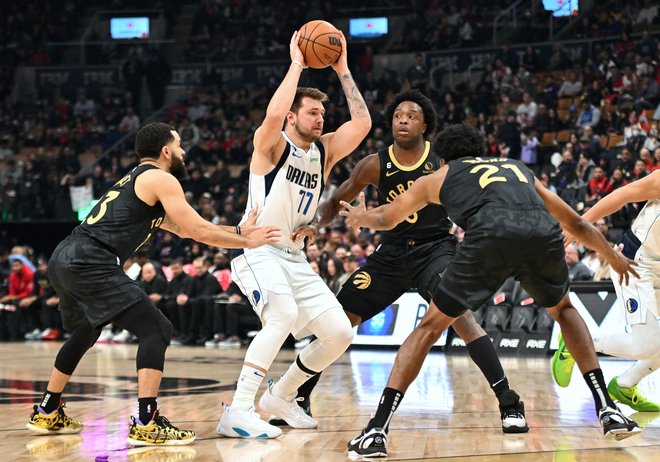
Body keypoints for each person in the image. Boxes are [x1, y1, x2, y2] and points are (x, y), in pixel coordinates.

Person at [340, 124, 641, 455]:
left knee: (430, 327)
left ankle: (377, 429)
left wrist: (361, 217)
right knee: (564, 311)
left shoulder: (437, 177)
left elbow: (387, 218)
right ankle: (608, 409)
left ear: (442, 157)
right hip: (540, 235)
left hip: (488, 238)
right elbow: (577, 224)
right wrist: (613, 256)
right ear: (480, 150)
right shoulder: (516, 167)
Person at [281, 91, 529, 457]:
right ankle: (299, 395)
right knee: (336, 322)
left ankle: (508, 401)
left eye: (411, 116)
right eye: (398, 115)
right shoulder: (374, 164)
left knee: (461, 318)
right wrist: (316, 224)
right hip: (391, 255)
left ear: (425, 125)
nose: (402, 120)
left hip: (436, 249)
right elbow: (336, 200)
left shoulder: (442, 161)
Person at [26, 122, 280, 446]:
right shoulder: (161, 178)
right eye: (179, 145)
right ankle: (147, 421)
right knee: (157, 329)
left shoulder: (138, 180)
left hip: (66, 256)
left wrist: (240, 231)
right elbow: (200, 231)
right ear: (165, 151)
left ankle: (48, 409)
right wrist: (248, 240)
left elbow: (187, 230)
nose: (184, 151)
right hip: (91, 259)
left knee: (86, 331)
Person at [215, 29, 371, 438]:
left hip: (295, 256)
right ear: (292, 116)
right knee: (280, 316)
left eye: (322, 113)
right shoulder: (271, 145)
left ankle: (280, 396)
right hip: (258, 248)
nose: (320, 118)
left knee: (339, 333)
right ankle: (239, 408)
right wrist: (298, 63)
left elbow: (363, 122)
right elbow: (270, 116)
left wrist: (342, 68)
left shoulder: (324, 151)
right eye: (312, 112)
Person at [554, 170, 660, 411]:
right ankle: (577, 342)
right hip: (635, 263)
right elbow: (622, 195)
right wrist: (578, 225)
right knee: (647, 345)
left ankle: (625, 385)